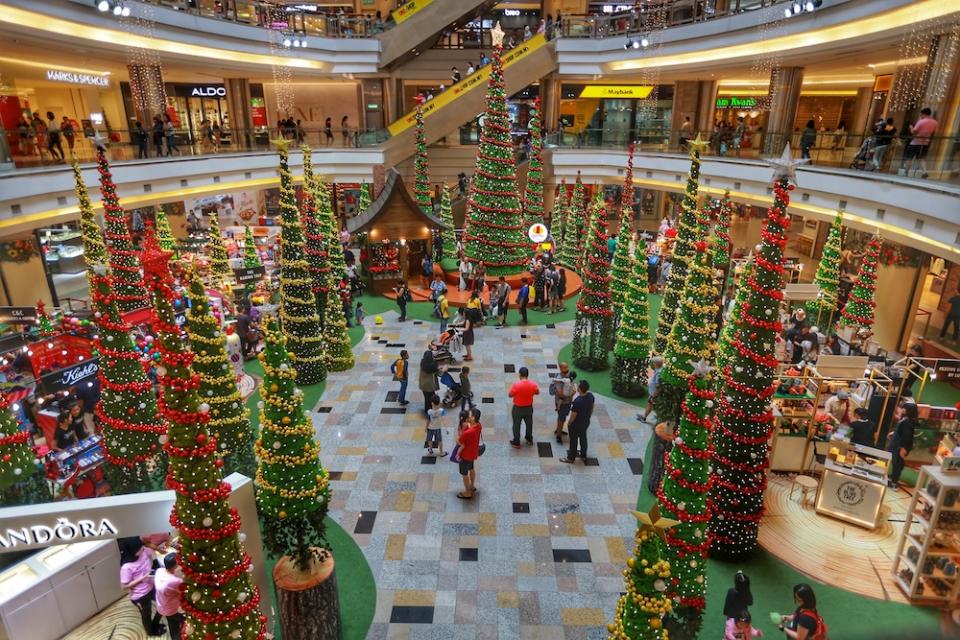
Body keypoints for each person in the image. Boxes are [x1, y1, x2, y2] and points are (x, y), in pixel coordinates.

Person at [119, 538, 165, 636]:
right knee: (146, 615)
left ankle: (155, 624)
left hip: (151, 586)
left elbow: (151, 551)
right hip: (140, 596)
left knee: (163, 603)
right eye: (139, 549)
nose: (142, 549)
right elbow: (124, 586)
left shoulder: (143, 551)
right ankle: (151, 632)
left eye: (142, 547)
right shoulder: (126, 567)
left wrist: (158, 552)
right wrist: (142, 579)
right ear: (132, 551)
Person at [559, 380, 594, 463]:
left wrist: (569, 423)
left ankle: (570, 458)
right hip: (585, 422)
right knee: (583, 438)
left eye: (578, 386)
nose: (577, 387)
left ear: (580, 389)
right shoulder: (590, 396)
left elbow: (573, 415)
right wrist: (588, 417)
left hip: (576, 425)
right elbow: (592, 407)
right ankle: (583, 455)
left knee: (573, 441)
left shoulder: (578, 401)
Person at [900, 107, 938, 178]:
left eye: (921, 114)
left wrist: (911, 127)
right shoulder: (935, 122)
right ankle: (924, 171)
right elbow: (933, 132)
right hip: (925, 143)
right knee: (922, 158)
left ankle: (906, 172)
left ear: (924, 114)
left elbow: (913, 131)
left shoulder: (921, 121)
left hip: (915, 142)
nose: (921, 116)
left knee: (909, 158)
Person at [154, 553, 184, 640]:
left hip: (161, 605)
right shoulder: (175, 581)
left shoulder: (159, 571)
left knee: (172, 625)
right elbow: (183, 591)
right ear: (175, 566)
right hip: (171, 609)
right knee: (184, 622)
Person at [888, 402, 918, 489]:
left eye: (905, 408)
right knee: (897, 463)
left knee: (898, 464)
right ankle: (893, 478)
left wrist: (903, 448)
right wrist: (893, 433)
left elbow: (906, 436)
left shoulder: (907, 422)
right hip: (897, 444)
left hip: (899, 446)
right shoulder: (906, 419)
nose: (903, 409)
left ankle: (894, 482)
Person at [456, 407, 482, 499]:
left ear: (473, 418)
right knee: (471, 468)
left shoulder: (468, 432)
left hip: (465, 455)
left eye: (470, 416)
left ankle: (467, 492)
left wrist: (458, 434)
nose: (468, 417)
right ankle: (472, 486)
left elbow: (458, 441)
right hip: (473, 453)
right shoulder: (478, 425)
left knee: (464, 474)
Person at [552, 362, 576, 443]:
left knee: (562, 418)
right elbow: (560, 393)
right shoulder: (559, 379)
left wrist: (571, 391)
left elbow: (573, 386)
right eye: (565, 368)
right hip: (562, 403)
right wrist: (571, 393)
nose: (567, 369)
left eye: (567, 367)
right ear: (561, 368)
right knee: (561, 419)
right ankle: (559, 435)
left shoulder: (569, 376)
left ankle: (559, 429)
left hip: (568, 402)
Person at [641, 356, 664, 423]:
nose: (652, 364)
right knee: (652, 404)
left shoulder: (659, 373)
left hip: (654, 393)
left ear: (656, 364)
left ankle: (644, 418)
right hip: (654, 392)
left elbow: (658, 385)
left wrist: (654, 395)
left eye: (653, 363)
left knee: (650, 404)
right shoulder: (659, 369)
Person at [418, 349, 439, 415]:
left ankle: (427, 409)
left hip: (423, 384)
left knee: (426, 398)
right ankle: (429, 410)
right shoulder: (432, 366)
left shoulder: (422, 363)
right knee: (431, 398)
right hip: (430, 385)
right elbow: (437, 371)